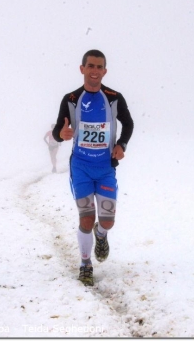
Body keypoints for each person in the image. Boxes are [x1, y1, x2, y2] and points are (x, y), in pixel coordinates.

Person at [52, 49, 134, 286]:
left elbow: (128, 123)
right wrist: (62, 133)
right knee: (86, 219)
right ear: (82, 69)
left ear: (105, 71)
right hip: (81, 168)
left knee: (107, 221)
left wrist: (121, 144)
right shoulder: (71, 99)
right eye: (91, 66)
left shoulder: (114, 98)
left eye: (99, 67)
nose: (95, 71)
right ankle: (85, 264)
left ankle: (102, 234)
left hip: (106, 168)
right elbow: (59, 130)